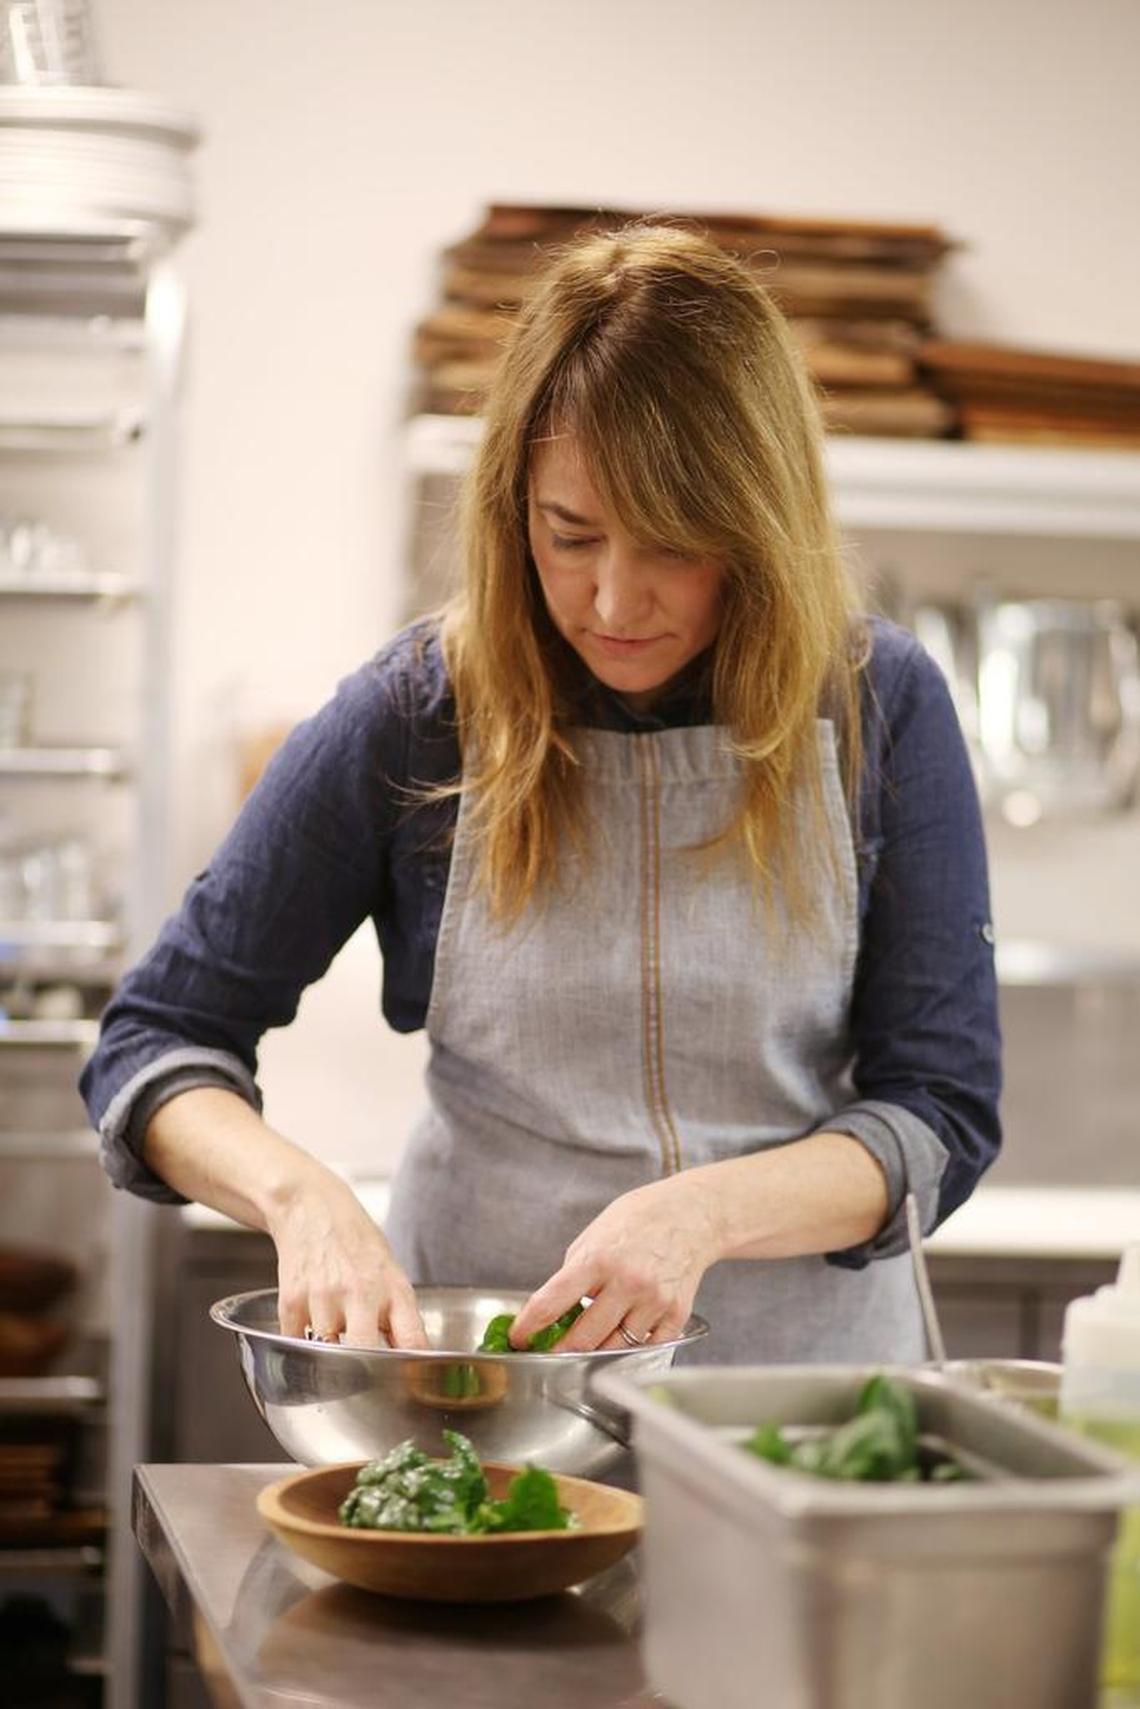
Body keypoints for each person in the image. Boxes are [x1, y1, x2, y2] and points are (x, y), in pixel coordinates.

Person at [80, 225, 1001, 1363]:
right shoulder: (418, 709)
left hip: (791, 1413)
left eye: (671, 544)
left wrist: (700, 1212)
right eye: (571, 534)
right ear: (515, 509)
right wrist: (299, 1200)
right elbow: (156, 1043)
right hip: (487, 1387)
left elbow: (940, 1112)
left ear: (759, 528)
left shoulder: (880, 706)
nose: (614, 597)